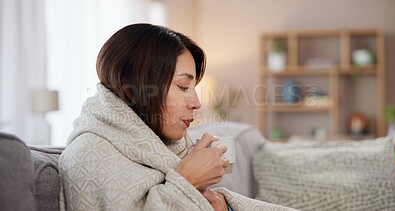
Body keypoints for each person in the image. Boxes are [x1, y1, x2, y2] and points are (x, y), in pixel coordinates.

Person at [59, 23, 294, 211]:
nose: (196, 103)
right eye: (183, 87)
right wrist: (186, 182)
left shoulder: (172, 146)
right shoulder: (88, 155)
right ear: (133, 91)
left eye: (194, 88)